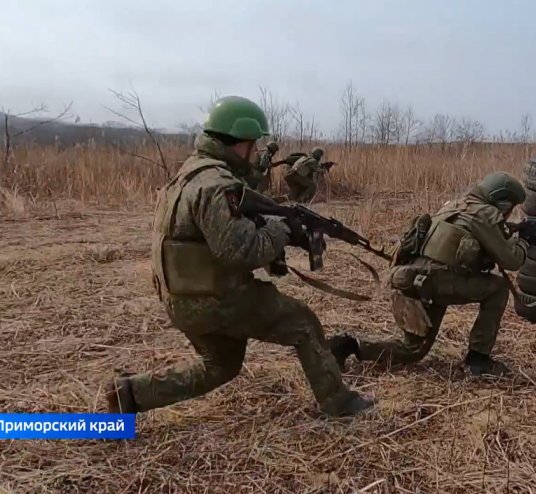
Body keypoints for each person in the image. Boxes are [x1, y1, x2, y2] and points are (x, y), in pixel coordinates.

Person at [106, 96, 373, 418]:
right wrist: (283, 230)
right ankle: (339, 403)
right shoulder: (217, 185)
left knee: (220, 366)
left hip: (181, 298)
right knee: (303, 325)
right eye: (252, 143)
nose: (256, 151)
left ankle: (131, 395)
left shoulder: (191, 172)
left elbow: (216, 236)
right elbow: (241, 251)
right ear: (240, 142)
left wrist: (273, 225)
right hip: (215, 299)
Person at [328, 172, 530, 376]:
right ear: (500, 199)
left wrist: (510, 231)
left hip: (412, 278)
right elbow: (512, 260)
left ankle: (348, 345)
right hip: (434, 281)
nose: (507, 213)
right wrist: (526, 239)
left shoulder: (454, 206)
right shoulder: (485, 214)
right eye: (509, 207)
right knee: (499, 288)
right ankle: (478, 359)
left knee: (413, 351)